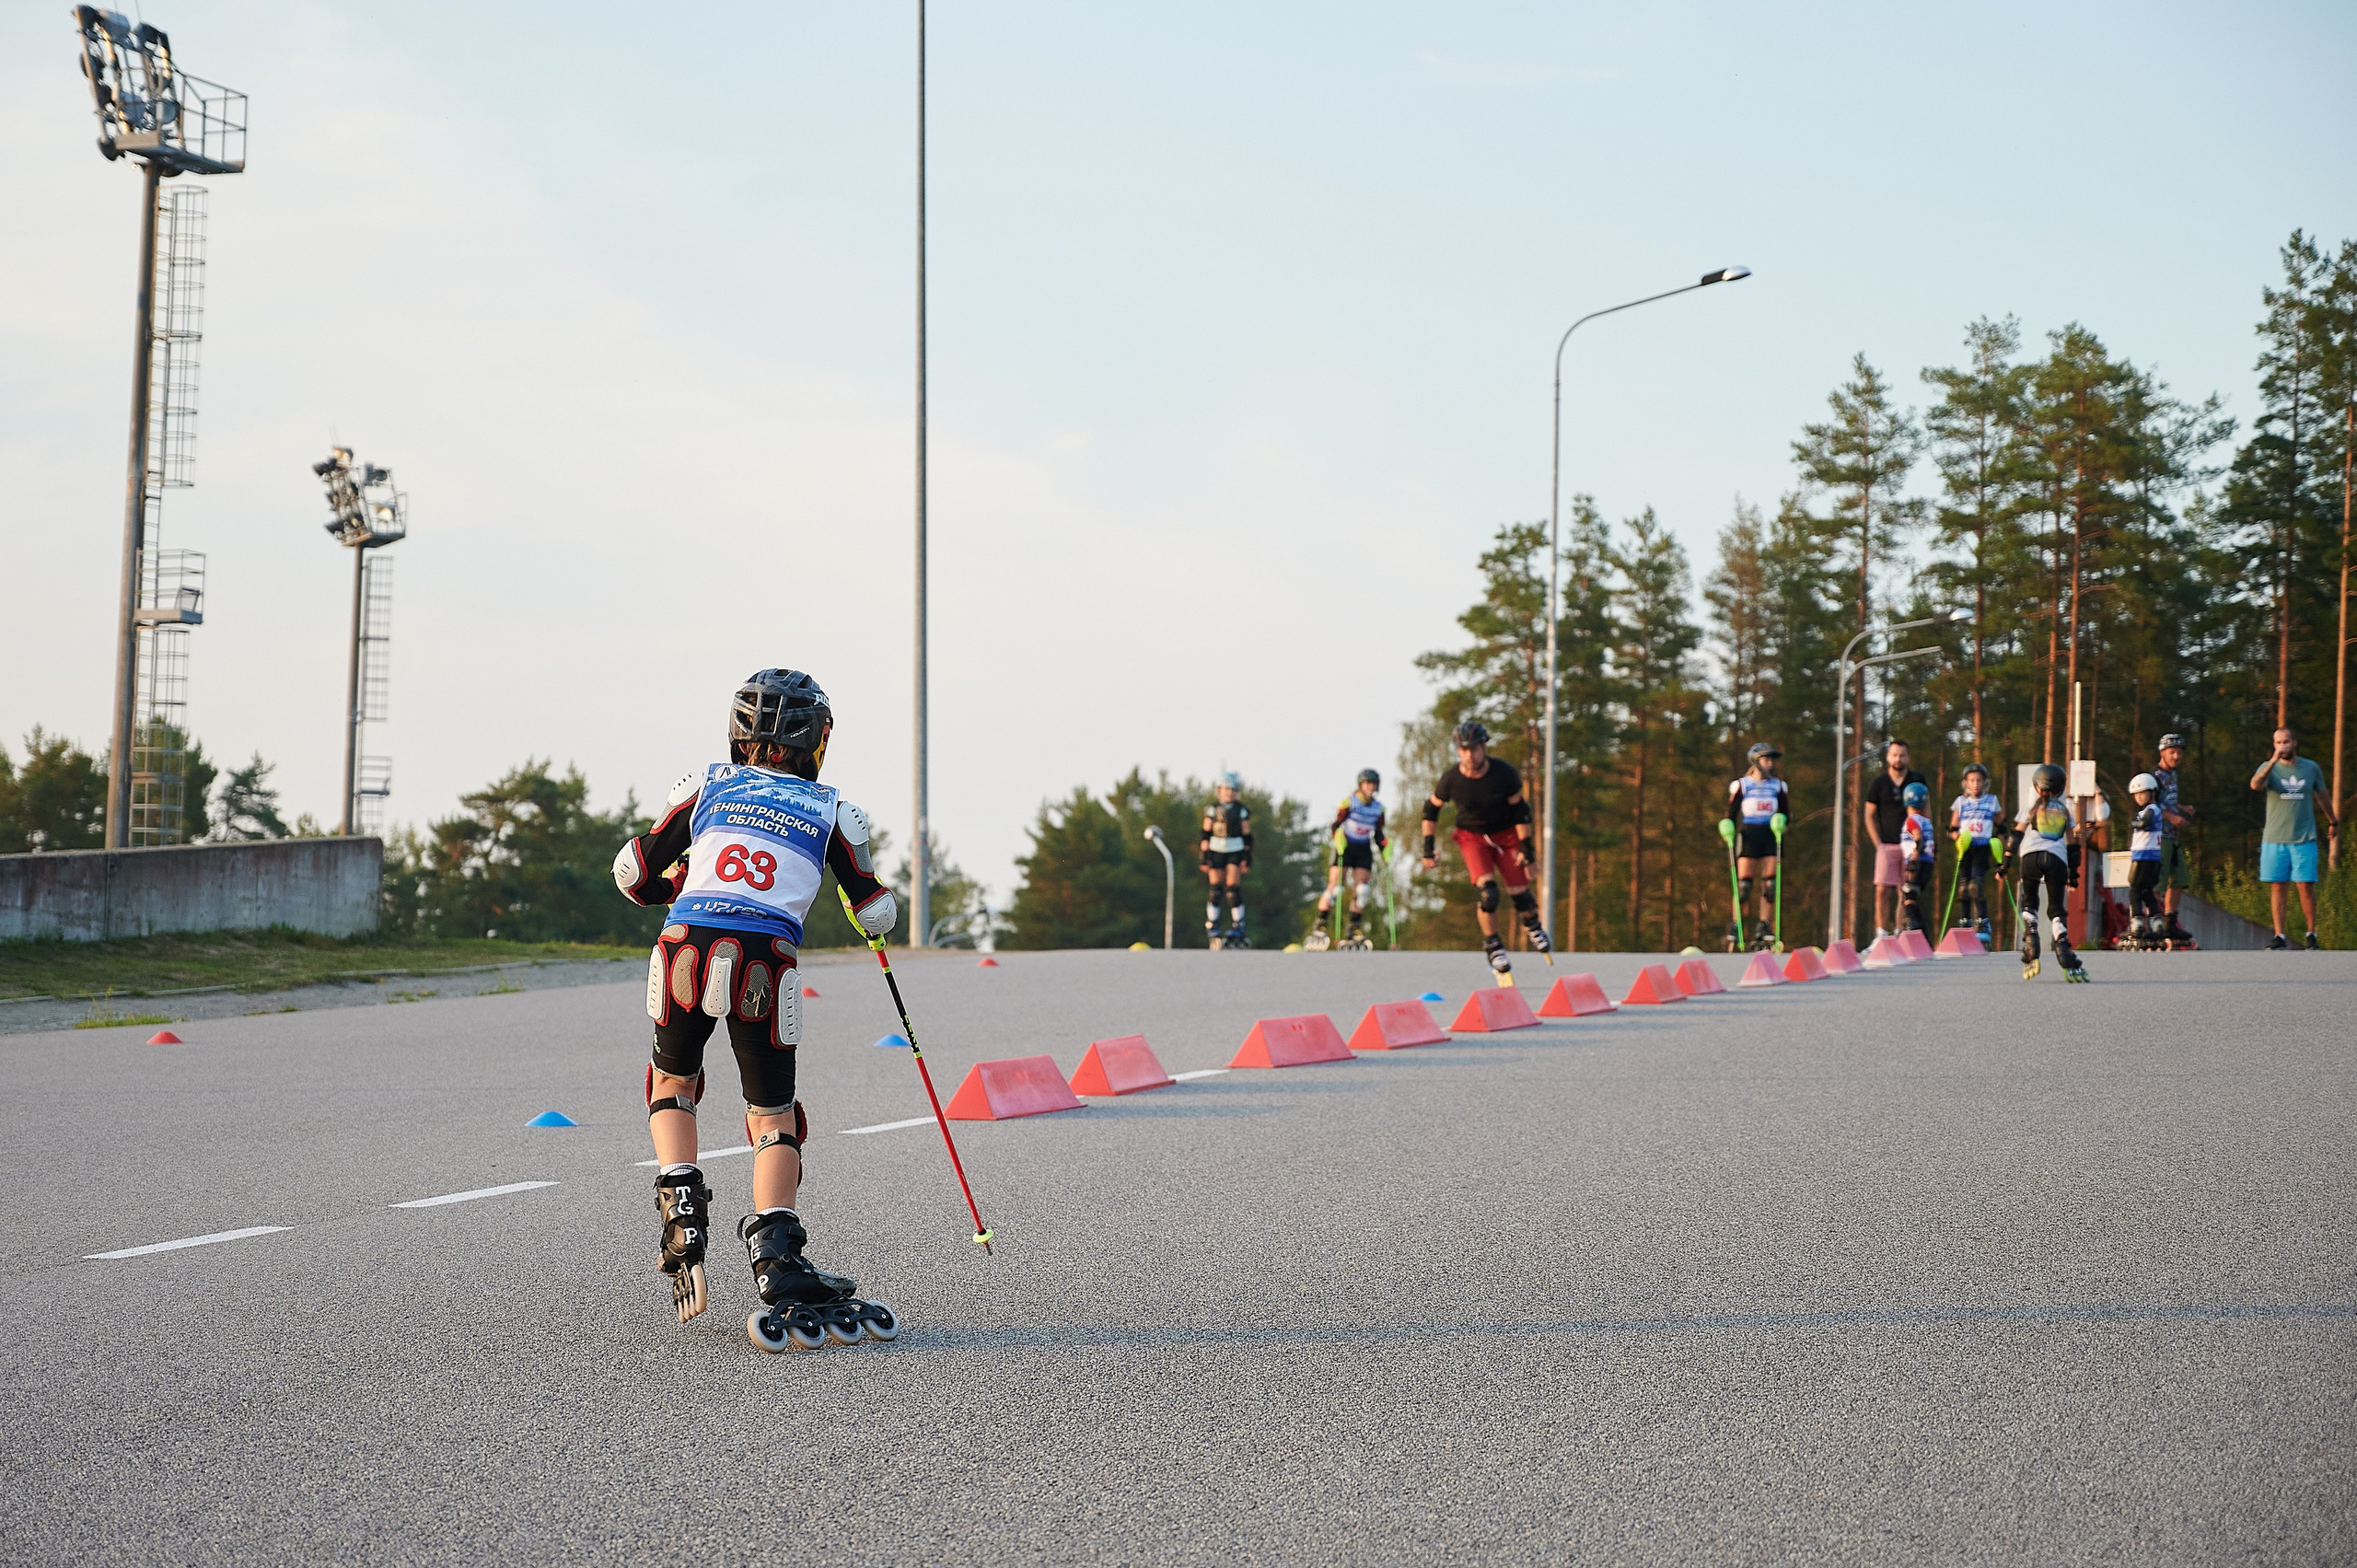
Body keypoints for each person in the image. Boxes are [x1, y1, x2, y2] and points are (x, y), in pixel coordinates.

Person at [609, 668, 899, 1330]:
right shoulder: (834, 812)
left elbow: (633, 870)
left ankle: (680, 1201)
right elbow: (876, 910)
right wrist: (866, 912)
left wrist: (676, 881)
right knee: (774, 1116)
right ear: (818, 740)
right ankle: (777, 1257)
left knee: (672, 1080)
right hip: (764, 959)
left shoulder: (704, 784)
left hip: (684, 943)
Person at [1420, 721, 1551, 976]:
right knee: (1488, 895)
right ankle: (1493, 945)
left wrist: (1527, 849)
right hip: (1473, 838)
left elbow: (1520, 811)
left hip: (1506, 835)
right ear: (1458, 751)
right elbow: (1431, 809)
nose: (1470, 755)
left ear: (1484, 748)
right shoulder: (1451, 779)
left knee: (1521, 895)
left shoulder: (1504, 773)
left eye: (1475, 749)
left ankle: (1533, 925)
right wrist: (1428, 848)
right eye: (1465, 749)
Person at [2250, 726, 2336, 950]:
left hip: (2303, 837)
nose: (2282, 746)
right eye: (2278, 742)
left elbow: (2322, 795)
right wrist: (2272, 762)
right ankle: (2279, 935)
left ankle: (2311, 934)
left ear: (2294, 743)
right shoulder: (2268, 768)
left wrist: (2333, 820)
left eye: (2286, 742)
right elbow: (2255, 785)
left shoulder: (2310, 768)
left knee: (2305, 885)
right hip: (2274, 838)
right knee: (2278, 885)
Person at [2010, 762, 2088, 981]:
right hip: (2057, 859)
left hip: (2030, 857)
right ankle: (2063, 949)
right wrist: (2074, 875)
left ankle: (2031, 937)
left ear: (2037, 786)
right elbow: (2073, 845)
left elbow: (2015, 836)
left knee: (2030, 901)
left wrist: (2005, 862)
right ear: (2061, 788)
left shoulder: (2030, 808)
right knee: (2056, 908)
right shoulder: (2064, 811)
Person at [1724, 742, 1790, 950]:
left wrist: (1782, 823)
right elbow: (1731, 813)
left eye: (1772, 760)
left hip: (1771, 834)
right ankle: (1736, 924)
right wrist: (1728, 829)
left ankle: (1764, 925)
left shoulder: (1778, 786)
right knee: (1744, 886)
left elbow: (1787, 813)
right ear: (1756, 761)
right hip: (1749, 833)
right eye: (1767, 759)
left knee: (1770, 885)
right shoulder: (1742, 785)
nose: (1771, 763)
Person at [1861, 740, 1928, 941]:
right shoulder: (1879, 783)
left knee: (1904, 890)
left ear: (1908, 757)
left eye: (1902, 755)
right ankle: (1881, 935)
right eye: (1894, 755)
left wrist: (1925, 838)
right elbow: (1868, 815)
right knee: (1882, 889)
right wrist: (1878, 844)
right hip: (1887, 845)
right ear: (1888, 757)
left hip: (1910, 846)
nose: (1898, 759)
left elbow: (1927, 809)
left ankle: (1900, 934)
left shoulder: (1917, 780)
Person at [1314, 769, 1387, 948]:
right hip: (1345, 846)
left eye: (1373, 784)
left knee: (1362, 890)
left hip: (1363, 848)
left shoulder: (1379, 808)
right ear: (1361, 785)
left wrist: (1385, 847)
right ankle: (1321, 923)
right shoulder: (1349, 802)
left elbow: (1378, 833)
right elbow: (1336, 825)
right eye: (1367, 784)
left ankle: (1354, 927)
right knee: (1336, 886)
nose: (1370, 787)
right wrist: (1337, 836)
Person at [1948, 762, 2003, 942]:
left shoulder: (1992, 801)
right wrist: (1956, 836)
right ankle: (1965, 920)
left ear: (1985, 782)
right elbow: (1952, 828)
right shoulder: (1961, 802)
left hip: (1982, 847)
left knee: (1976, 886)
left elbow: (2001, 825)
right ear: (1966, 782)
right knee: (1963, 887)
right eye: (1972, 780)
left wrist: (2001, 846)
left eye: (1979, 780)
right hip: (1966, 848)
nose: (1976, 784)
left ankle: (1982, 921)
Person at [2152, 734, 2197, 947]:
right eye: (2172, 752)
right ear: (2162, 753)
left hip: (2174, 836)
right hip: (2159, 836)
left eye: (2179, 752)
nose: (2177, 756)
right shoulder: (2155, 777)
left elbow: (2168, 801)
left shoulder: (2173, 776)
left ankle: (2171, 921)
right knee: (2158, 881)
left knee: (2179, 878)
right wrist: (2172, 817)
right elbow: (2150, 805)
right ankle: (2152, 921)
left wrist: (2182, 808)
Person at [1200, 772, 1253, 949]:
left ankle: (1238, 925)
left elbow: (1247, 835)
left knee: (1232, 890)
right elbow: (1205, 833)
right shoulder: (1212, 809)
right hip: (1216, 850)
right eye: (1226, 789)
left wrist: (1246, 856)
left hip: (1235, 849)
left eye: (1232, 790)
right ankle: (1212, 924)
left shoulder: (1241, 810)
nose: (1229, 793)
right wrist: (1204, 856)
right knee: (1215, 890)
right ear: (1219, 790)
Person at [2124, 772, 2165, 946]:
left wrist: (2133, 823)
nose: (2139, 797)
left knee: (2134, 888)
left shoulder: (2152, 810)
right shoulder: (2150, 810)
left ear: (2152, 793)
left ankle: (2137, 922)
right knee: (2147, 891)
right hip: (2153, 858)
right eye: (2136, 794)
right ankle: (2156, 922)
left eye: (2143, 793)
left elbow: (2145, 823)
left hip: (2143, 857)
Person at [1899, 782, 1936, 933]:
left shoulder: (1912, 820)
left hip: (1917, 861)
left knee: (1910, 893)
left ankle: (1911, 925)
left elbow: (1918, 839)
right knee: (1915, 894)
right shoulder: (1926, 821)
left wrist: (1914, 858)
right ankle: (1922, 929)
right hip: (1928, 862)